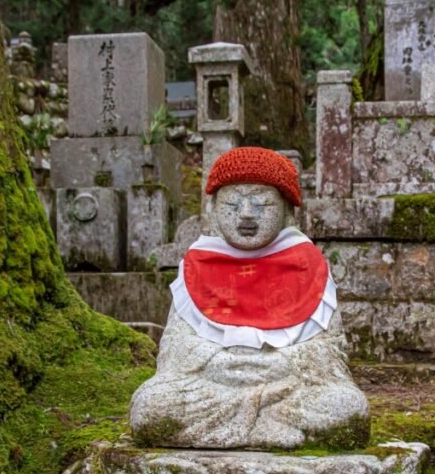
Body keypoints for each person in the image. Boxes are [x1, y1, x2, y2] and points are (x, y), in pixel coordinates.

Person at [129, 147, 369, 449]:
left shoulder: (309, 266)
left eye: (262, 203)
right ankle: (269, 429)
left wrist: (285, 363)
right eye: (232, 203)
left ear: (286, 211)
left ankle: (237, 430)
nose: (245, 214)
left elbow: (331, 350)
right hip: (214, 388)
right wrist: (216, 363)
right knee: (152, 407)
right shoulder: (197, 266)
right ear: (214, 209)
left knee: (346, 408)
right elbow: (175, 348)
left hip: (286, 387)